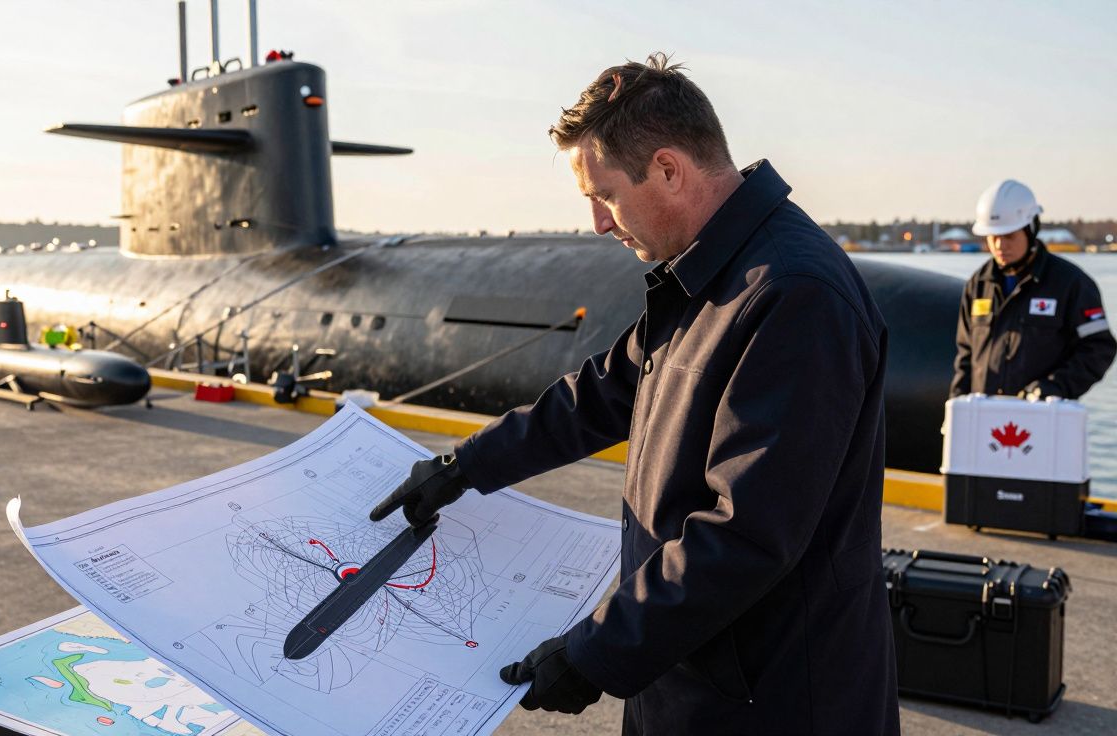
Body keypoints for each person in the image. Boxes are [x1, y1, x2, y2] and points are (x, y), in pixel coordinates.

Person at [370, 54, 899, 734]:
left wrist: (595, 654)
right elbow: (603, 393)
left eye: (606, 194)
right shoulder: (709, 272)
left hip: (775, 701)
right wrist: (463, 467)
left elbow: (748, 532)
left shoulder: (794, 296)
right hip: (696, 677)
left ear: (670, 170)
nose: (597, 222)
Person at [950, 179, 1115, 399]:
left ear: (1031, 229)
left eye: (1009, 236)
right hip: (986, 419)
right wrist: (956, 410)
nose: (1000, 246)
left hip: (1042, 420)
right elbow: (966, 356)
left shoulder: (1070, 284)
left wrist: (1055, 387)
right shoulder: (978, 285)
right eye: (994, 237)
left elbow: (1099, 348)